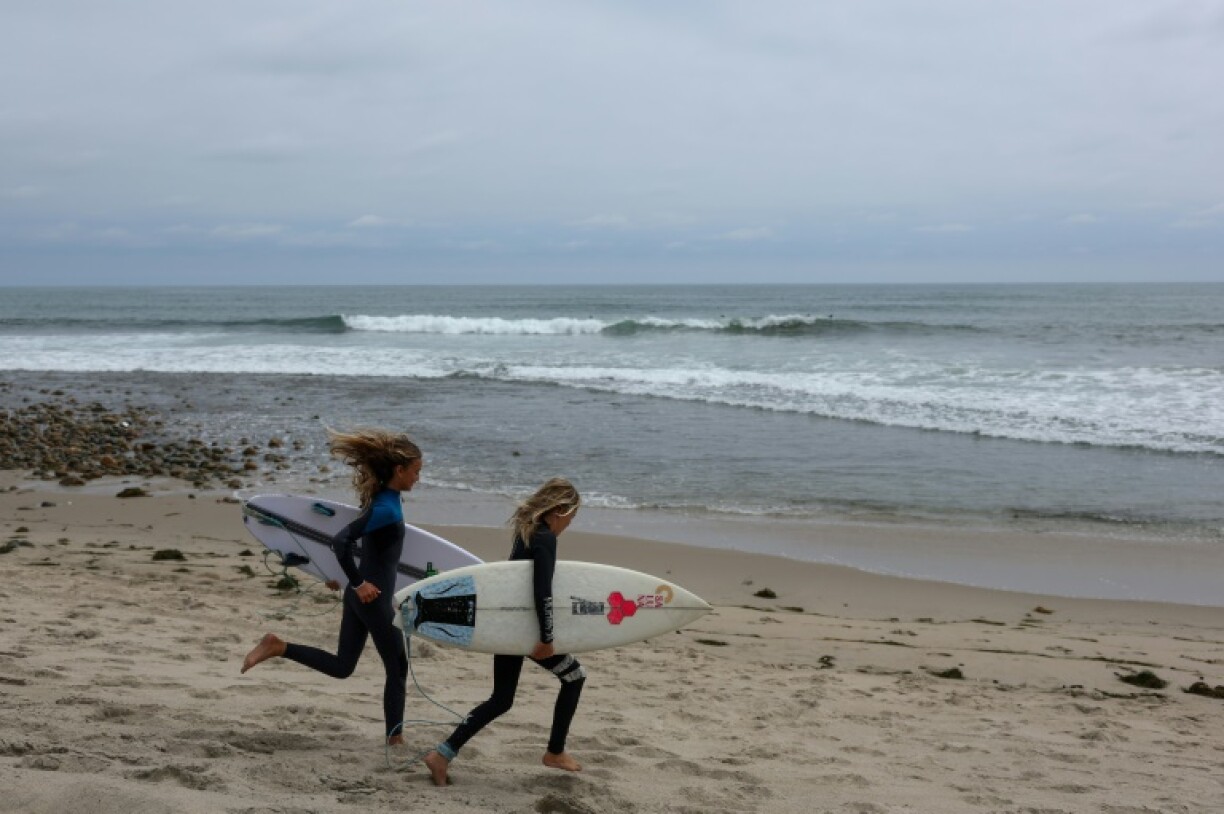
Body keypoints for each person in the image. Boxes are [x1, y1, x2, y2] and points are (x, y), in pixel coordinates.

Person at [241, 428, 422, 746]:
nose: (418, 478)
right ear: (399, 470)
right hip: (371, 598)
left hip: (357, 598)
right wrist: (359, 582)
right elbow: (341, 542)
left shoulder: (382, 499)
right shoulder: (386, 509)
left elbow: (357, 549)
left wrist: (340, 578)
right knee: (398, 668)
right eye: (417, 471)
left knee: (342, 667)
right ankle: (395, 740)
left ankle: (279, 646)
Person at [423, 478, 585, 786]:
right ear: (560, 510)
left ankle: (442, 754)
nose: (570, 523)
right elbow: (542, 592)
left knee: (501, 698)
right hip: (525, 632)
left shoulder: (526, 532)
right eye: (572, 516)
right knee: (574, 676)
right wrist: (547, 638)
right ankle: (555, 751)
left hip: (508, 626)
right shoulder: (545, 538)